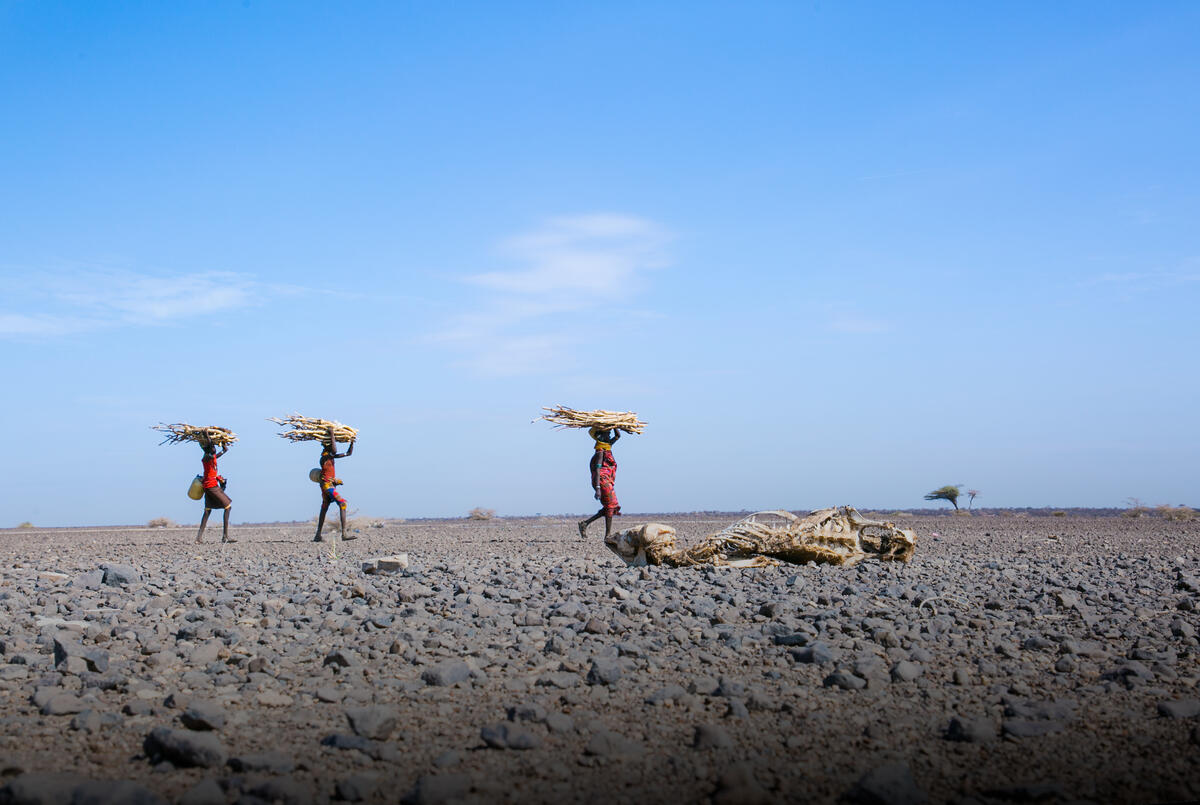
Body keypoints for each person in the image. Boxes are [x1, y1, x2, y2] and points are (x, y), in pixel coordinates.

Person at [315, 427, 357, 542]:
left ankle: (318, 535)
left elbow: (349, 453)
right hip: (327, 486)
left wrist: (352, 442)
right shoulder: (324, 457)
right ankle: (344, 534)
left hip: (328, 486)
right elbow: (334, 450)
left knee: (324, 508)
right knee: (342, 504)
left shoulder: (330, 456)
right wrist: (332, 433)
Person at [578, 427, 621, 539]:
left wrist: (615, 425)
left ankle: (585, 524)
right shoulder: (600, 452)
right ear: (601, 436)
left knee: (610, 506)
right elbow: (597, 470)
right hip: (601, 480)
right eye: (607, 433)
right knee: (610, 505)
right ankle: (608, 535)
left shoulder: (607, 447)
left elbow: (617, 436)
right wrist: (597, 488)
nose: (609, 435)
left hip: (607, 480)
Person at [197, 439, 235, 544]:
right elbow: (209, 449)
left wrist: (223, 442)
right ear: (208, 449)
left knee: (207, 511)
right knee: (228, 507)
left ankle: (198, 538)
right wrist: (207, 436)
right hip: (211, 487)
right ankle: (225, 536)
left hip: (209, 486)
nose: (215, 448)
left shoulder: (212, 457)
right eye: (213, 447)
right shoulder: (207, 457)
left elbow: (225, 450)